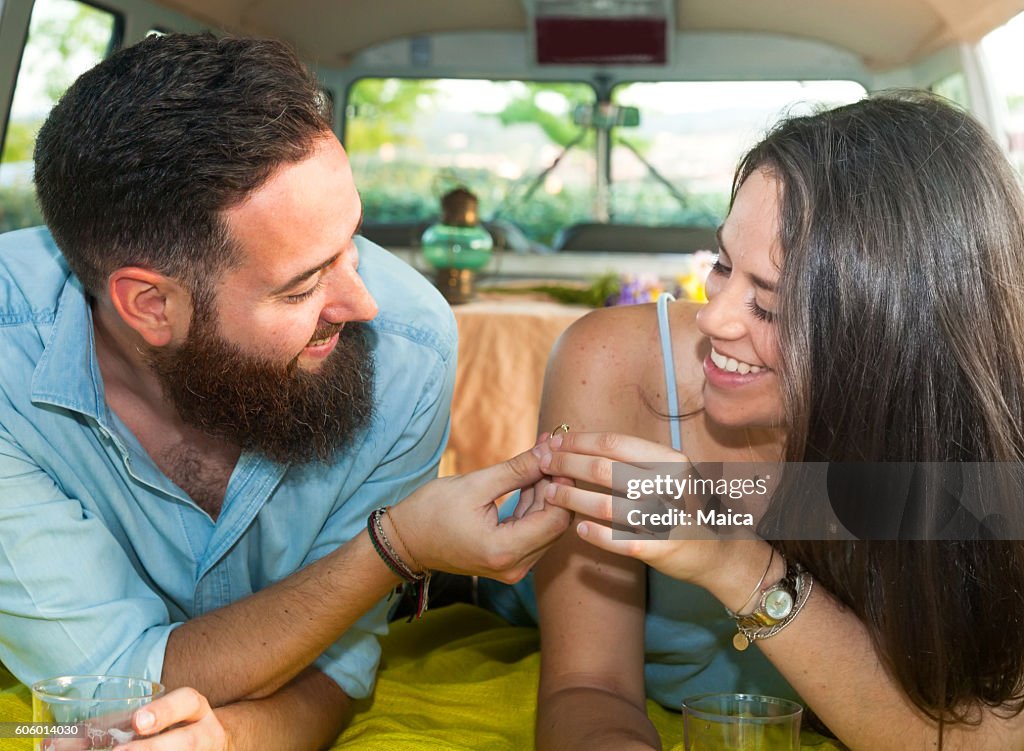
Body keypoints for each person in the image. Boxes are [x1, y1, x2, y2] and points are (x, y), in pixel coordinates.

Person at [0, 33, 569, 750]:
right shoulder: (6, 367)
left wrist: (223, 739)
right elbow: (115, 683)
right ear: (150, 306)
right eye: (303, 285)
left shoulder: (407, 347)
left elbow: (334, 672)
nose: (361, 302)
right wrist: (391, 547)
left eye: (352, 242)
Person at [498, 93, 1024, 750]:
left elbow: (989, 737)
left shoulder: (984, 443)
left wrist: (735, 563)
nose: (714, 319)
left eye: (771, 309)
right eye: (721, 264)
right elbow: (588, 684)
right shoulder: (610, 365)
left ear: (895, 341)